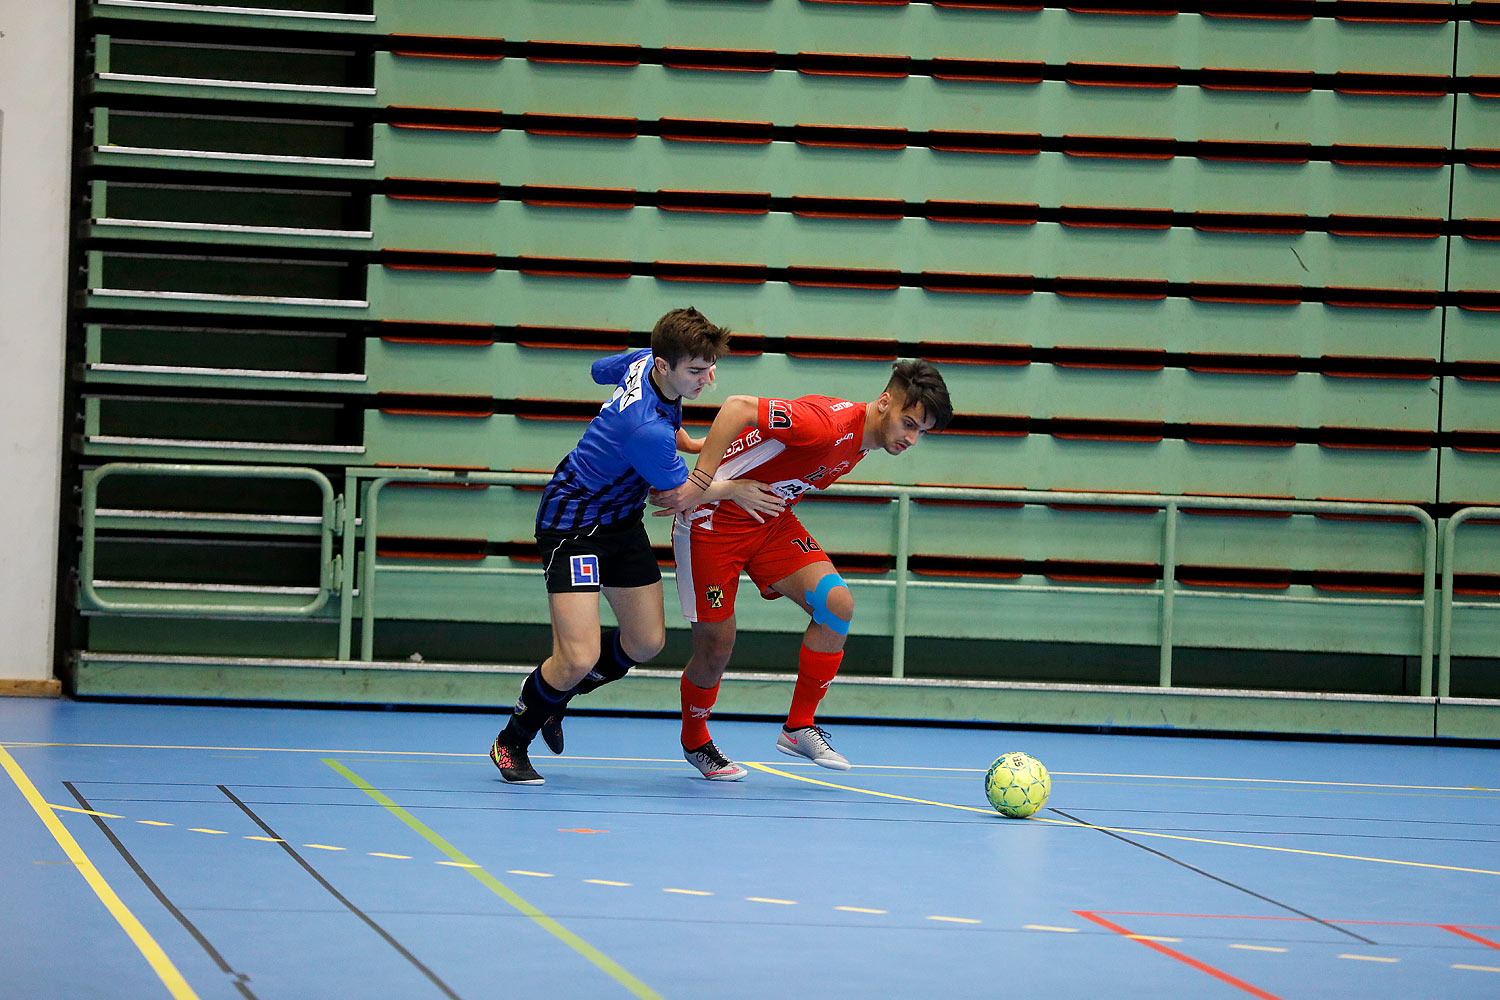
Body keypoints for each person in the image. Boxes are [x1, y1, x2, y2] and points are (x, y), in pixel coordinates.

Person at [489, 308, 784, 784]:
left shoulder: (646, 361)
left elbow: (598, 370)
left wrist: (686, 441)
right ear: (666, 366)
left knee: (645, 642)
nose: (707, 381)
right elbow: (677, 495)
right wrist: (736, 488)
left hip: (621, 522)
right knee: (577, 657)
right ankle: (512, 738)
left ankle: (554, 698)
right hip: (573, 524)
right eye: (696, 371)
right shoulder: (645, 429)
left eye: (711, 367)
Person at [652, 360, 952, 779]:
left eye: (921, 431)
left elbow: (762, 443)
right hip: (713, 522)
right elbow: (738, 408)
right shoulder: (825, 426)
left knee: (837, 604)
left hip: (769, 520)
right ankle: (695, 739)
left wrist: (700, 444)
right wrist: (701, 481)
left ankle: (799, 727)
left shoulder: (865, 441)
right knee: (717, 646)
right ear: (885, 402)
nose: (912, 439)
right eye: (908, 424)